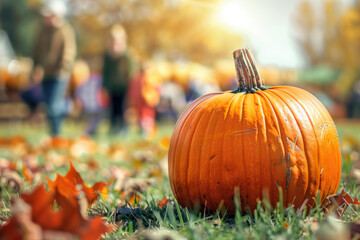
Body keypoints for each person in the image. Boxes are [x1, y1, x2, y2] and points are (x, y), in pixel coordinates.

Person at [31, 1, 76, 136]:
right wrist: (36, 68)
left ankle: (56, 134)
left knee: (54, 105)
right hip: (46, 74)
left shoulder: (65, 31)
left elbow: (68, 53)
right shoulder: (43, 31)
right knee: (49, 105)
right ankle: (54, 132)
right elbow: (37, 51)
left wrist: (63, 70)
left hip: (60, 74)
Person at [102, 25, 133, 134]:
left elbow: (130, 72)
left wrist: (131, 86)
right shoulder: (107, 56)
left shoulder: (126, 56)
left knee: (123, 109)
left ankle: (124, 128)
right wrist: (104, 86)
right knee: (113, 108)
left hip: (124, 87)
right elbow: (105, 72)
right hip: (112, 87)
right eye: (112, 41)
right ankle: (113, 127)